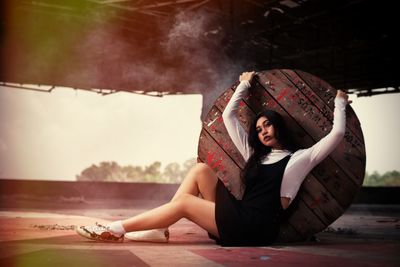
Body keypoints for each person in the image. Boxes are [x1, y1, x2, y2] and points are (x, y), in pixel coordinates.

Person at [76, 71, 351, 246]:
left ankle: (114, 229)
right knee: (200, 171)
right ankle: (160, 229)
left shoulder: (298, 160)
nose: (263, 131)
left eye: (267, 125)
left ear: (278, 126)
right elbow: (228, 117)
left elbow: (336, 134)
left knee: (184, 203)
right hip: (241, 216)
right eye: (258, 128)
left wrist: (339, 101)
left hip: (254, 228)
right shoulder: (256, 156)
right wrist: (244, 86)